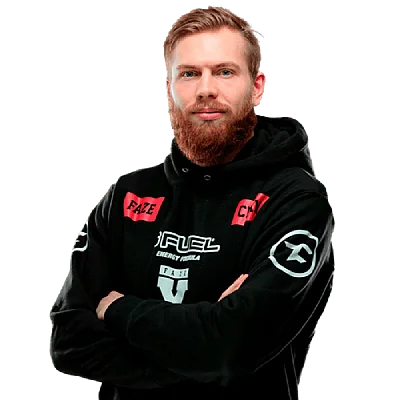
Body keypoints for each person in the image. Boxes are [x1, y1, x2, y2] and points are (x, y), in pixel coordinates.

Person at [49, 5, 336, 400]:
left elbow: (230, 349)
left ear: (256, 87)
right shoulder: (127, 197)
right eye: (189, 74)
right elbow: (68, 341)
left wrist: (117, 309)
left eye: (224, 72)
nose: (205, 89)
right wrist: (203, 348)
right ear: (169, 88)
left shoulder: (296, 202)